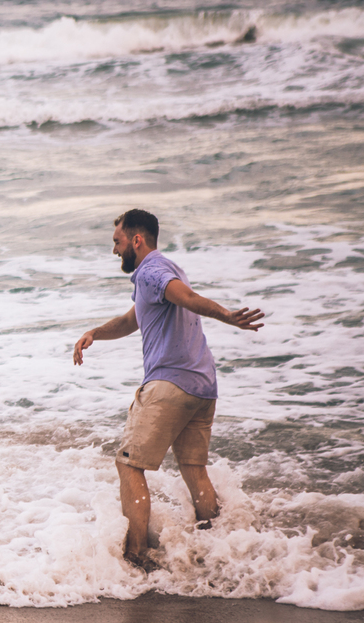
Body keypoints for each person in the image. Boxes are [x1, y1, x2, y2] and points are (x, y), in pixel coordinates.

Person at [72, 210, 264, 570]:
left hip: (170, 383)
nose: (115, 250)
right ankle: (220, 551)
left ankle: (136, 557)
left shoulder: (152, 272)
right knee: (193, 469)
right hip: (202, 386)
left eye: (117, 242)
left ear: (136, 240)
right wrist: (94, 333)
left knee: (128, 465)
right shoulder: (165, 270)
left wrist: (228, 317)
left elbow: (187, 297)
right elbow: (132, 319)